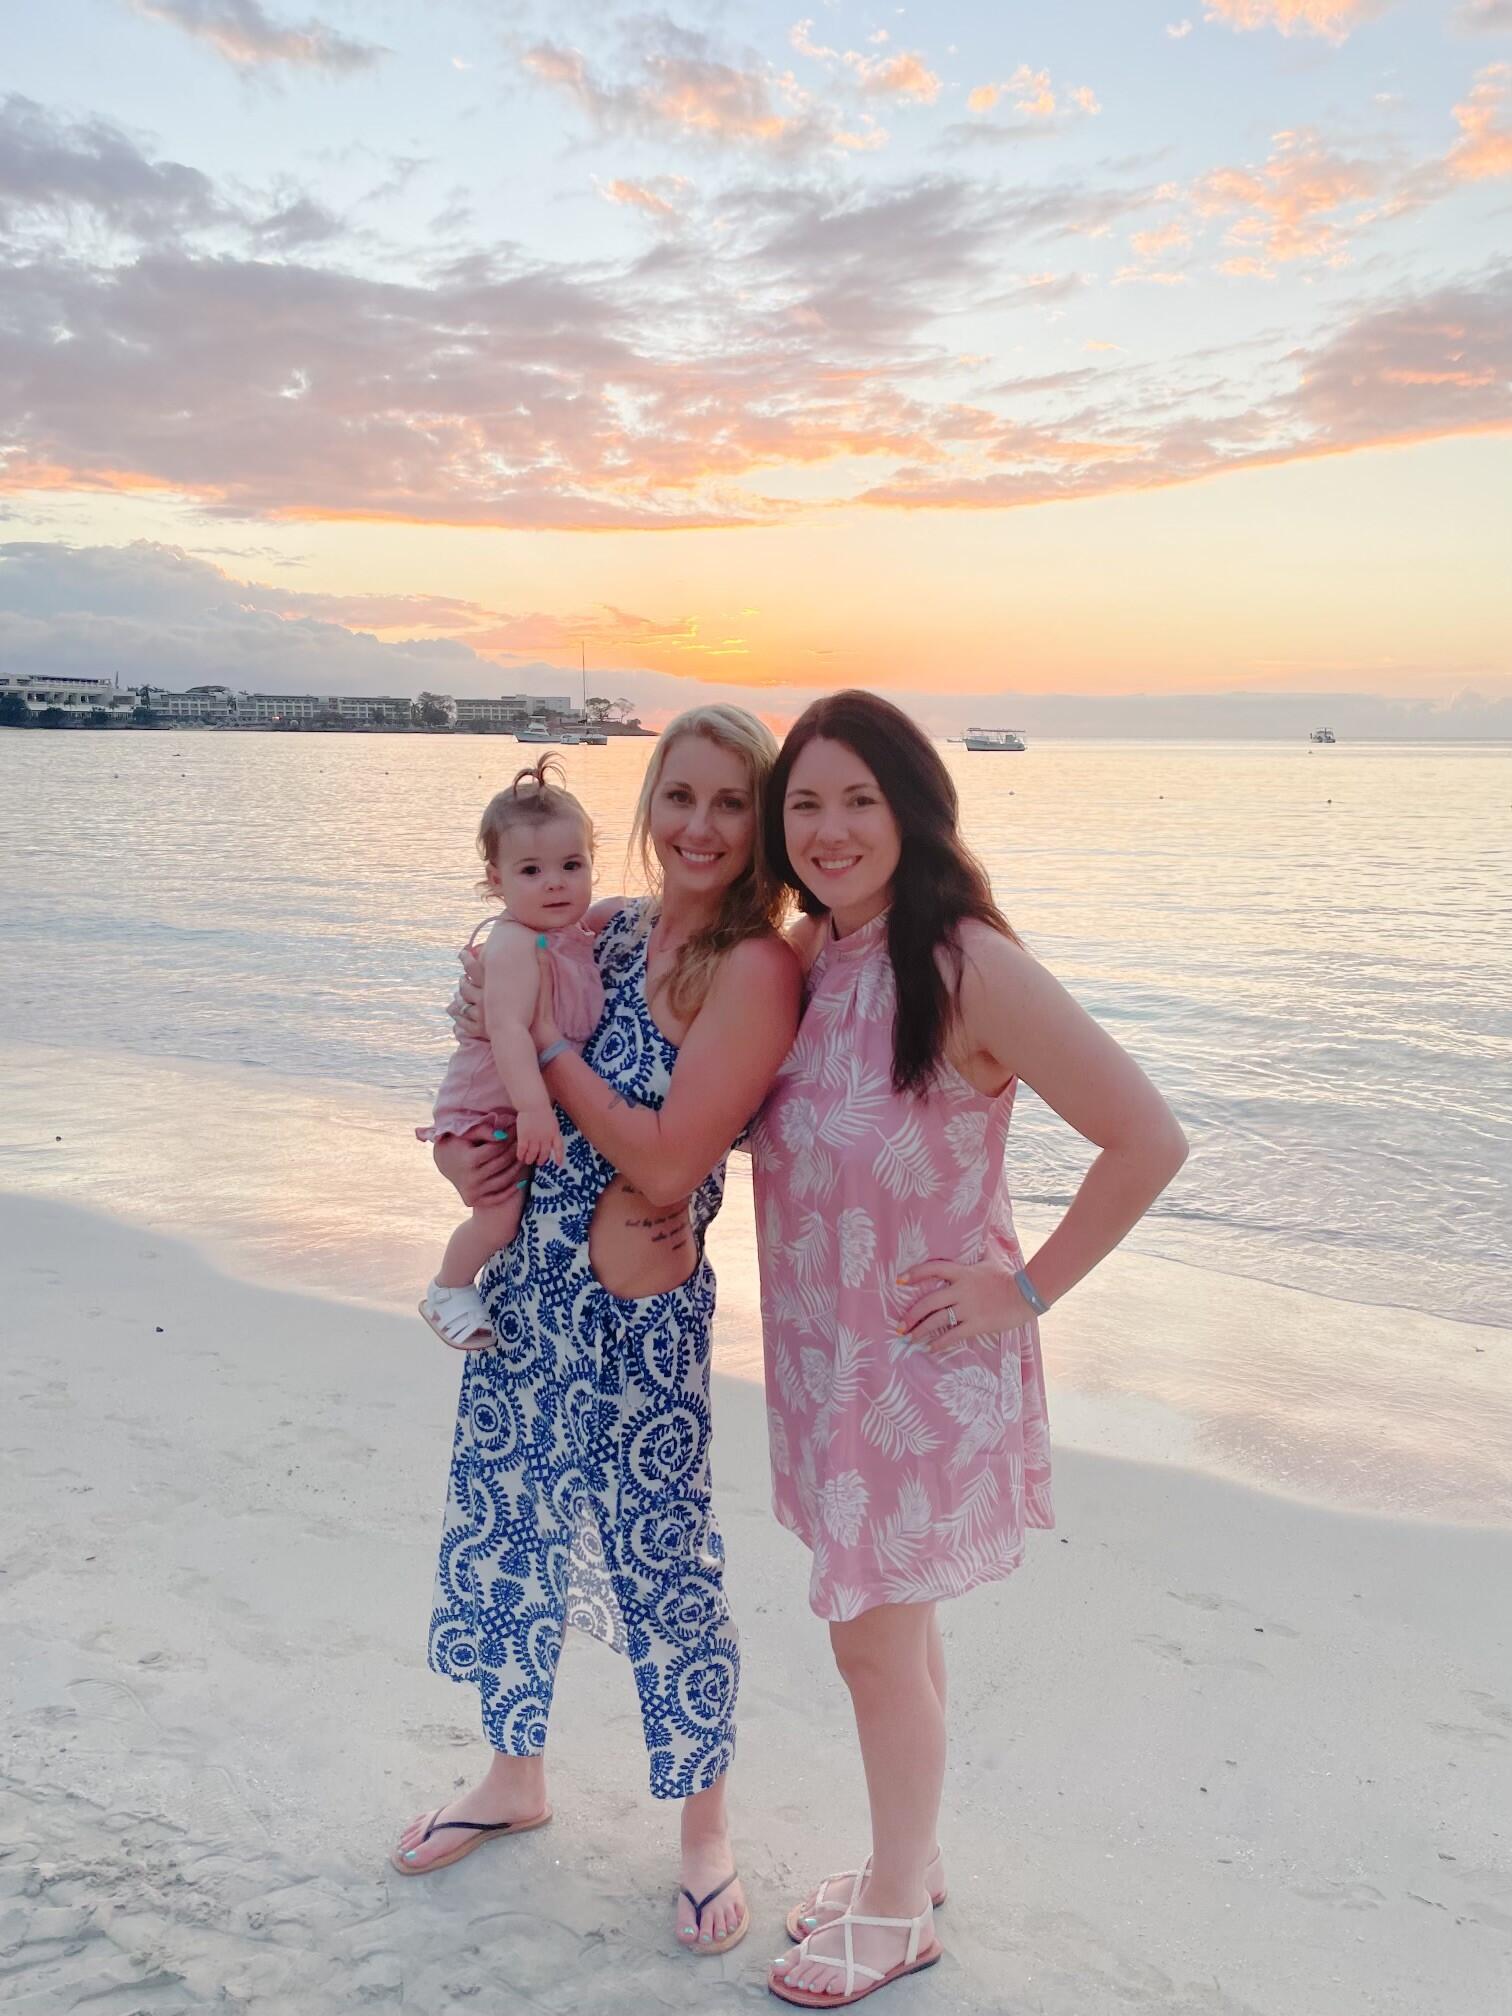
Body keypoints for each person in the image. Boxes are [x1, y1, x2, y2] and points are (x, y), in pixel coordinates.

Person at [753, 691, 1188, 2009]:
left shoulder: (964, 963)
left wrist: (1028, 1291)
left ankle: (897, 1913)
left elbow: (1148, 1139)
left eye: (858, 801)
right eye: (807, 803)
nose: (829, 830)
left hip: (919, 1370)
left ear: (912, 811)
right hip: (832, 1360)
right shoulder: (814, 958)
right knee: (897, 1634)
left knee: (871, 1645)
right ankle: (911, 1860)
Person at [393, 706, 802, 1961]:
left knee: (661, 1560)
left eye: (733, 803)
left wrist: (547, 1051)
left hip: (638, 1318)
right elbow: (484, 1014)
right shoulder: (605, 928)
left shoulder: (755, 968)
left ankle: (703, 1833)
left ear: (763, 823)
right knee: (512, 1516)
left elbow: (668, 1155)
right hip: (529, 1294)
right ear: (647, 806)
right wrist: (486, 1053)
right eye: (680, 796)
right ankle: (514, 1776)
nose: (700, 826)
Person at [415, 759, 604, 1349]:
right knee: (497, 1219)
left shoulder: (572, 938)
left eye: (572, 866)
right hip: (489, 1114)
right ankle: (448, 1287)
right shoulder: (517, 943)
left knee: (511, 1215)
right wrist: (534, 1110)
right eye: (532, 870)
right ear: (496, 880)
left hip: (506, 1111)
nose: (555, 883)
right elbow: (509, 1032)